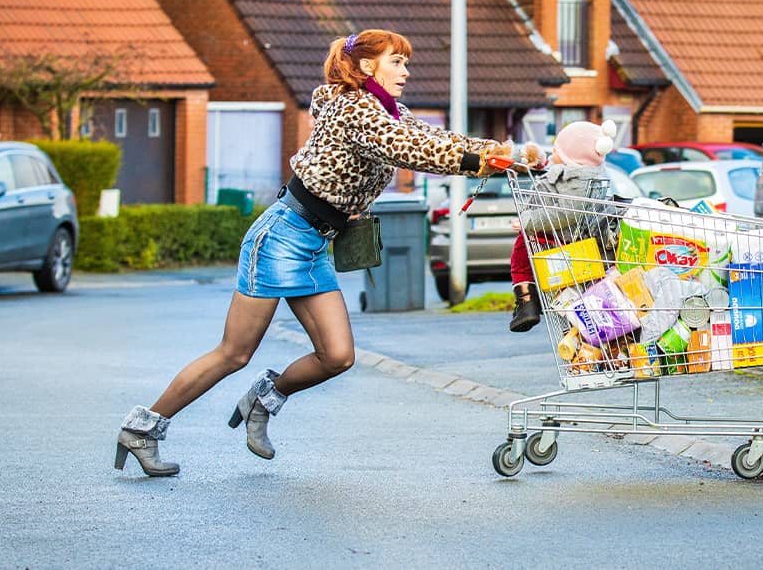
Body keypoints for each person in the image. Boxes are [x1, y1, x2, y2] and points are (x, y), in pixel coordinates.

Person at [113, 29, 541, 476]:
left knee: (337, 356)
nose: (406, 72)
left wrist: (499, 152)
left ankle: (265, 396)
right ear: (368, 66)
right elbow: (407, 148)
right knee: (234, 352)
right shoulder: (351, 107)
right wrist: (477, 164)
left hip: (316, 245)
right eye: (398, 62)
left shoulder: (387, 109)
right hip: (281, 237)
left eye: (406, 63)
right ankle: (143, 428)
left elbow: (433, 136)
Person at [508, 120, 614, 333]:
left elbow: (566, 212)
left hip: (556, 238)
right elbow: (559, 179)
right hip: (574, 239)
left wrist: (528, 222)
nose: (553, 153)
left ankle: (526, 302)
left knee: (521, 255)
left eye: (558, 150)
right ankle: (577, 338)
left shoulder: (577, 180)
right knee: (570, 294)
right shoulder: (587, 174)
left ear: (571, 157)